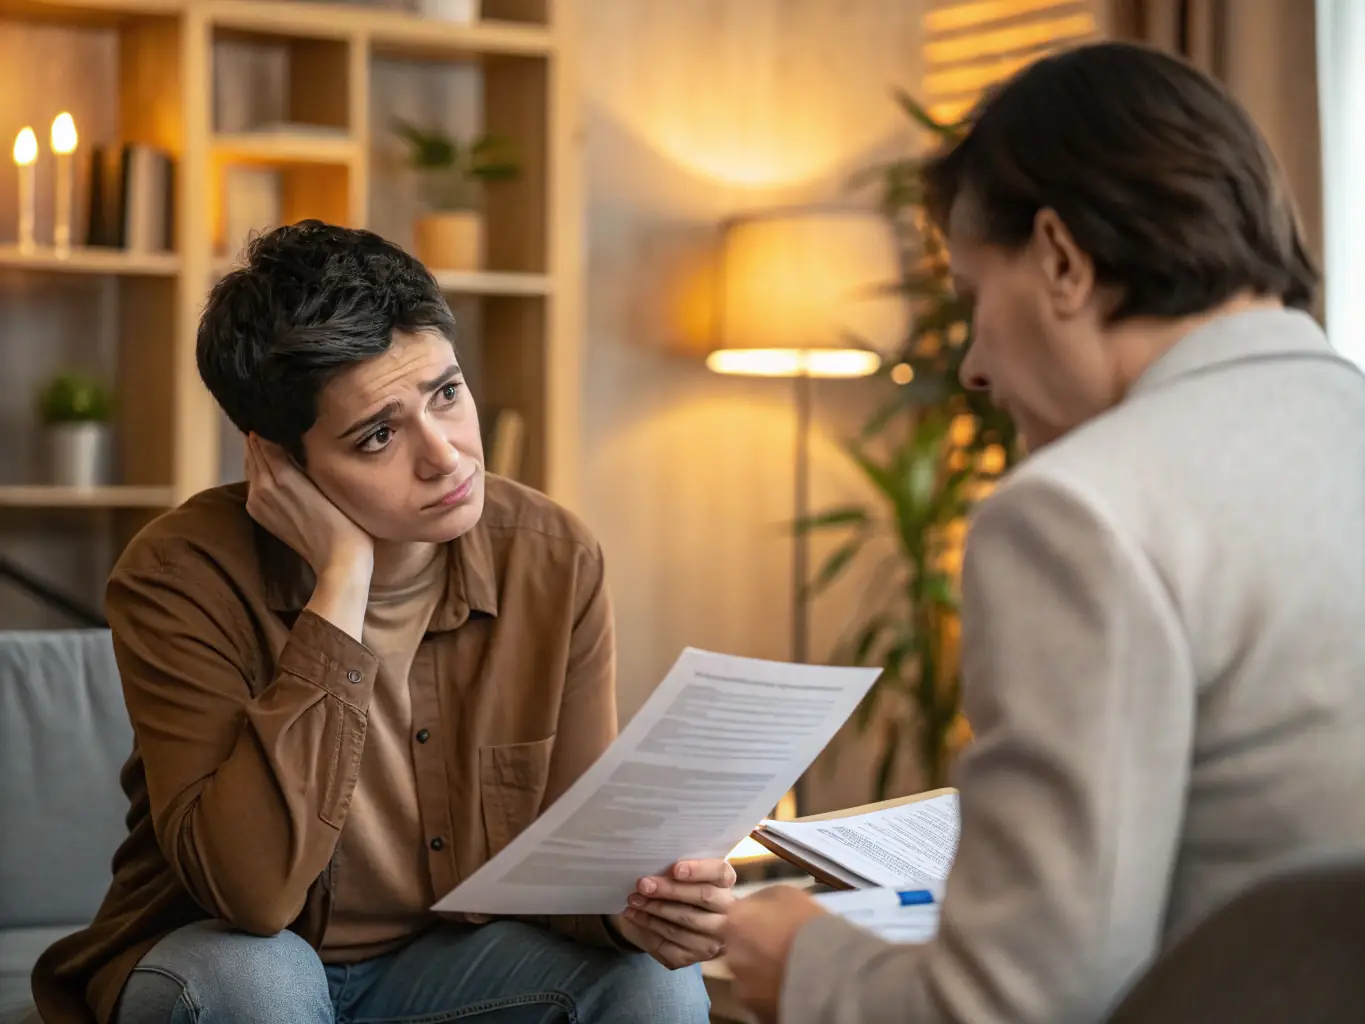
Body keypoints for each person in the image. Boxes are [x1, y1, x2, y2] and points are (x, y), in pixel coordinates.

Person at [723, 39, 1365, 1024]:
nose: (974, 364)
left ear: (1061, 259)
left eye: (975, 298)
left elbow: (1015, 1006)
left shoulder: (1079, 513)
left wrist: (802, 963)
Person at [31, 221, 728, 1024]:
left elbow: (571, 863)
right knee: (261, 981)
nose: (446, 456)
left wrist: (634, 908)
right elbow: (253, 899)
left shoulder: (553, 556)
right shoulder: (179, 577)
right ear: (282, 463)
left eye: (446, 393)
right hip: (225, 957)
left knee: (654, 980)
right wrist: (342, 582)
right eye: (379, 435)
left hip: (447, 968)